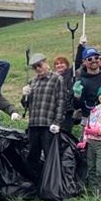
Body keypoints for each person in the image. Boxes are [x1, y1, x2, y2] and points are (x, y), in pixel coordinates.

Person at [20, 53, 66, 181]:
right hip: (34, 124)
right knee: (32, 156)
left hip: (48, 125)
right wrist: (25, 95)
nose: (38, 69)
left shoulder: (57, 79)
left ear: (46, 63)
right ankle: (35, 181)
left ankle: (52, 183)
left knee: (49, 156)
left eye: (39, 65)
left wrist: (57, 122)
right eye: (35, 67)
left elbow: (61, 101)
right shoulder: (33, 82)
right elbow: (25, 105)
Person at [53, 55, 75, 133]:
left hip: (68, 109)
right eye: (57, 64)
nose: (59, 65)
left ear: (66, 64)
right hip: (55, 110)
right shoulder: (53, 77)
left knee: (66, 133)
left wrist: (81, 47)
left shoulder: (70, 73)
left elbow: (77, 63)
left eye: (62, 63)